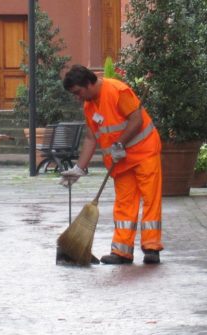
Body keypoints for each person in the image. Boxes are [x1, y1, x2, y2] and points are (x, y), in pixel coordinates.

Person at [60, 65, 163, 264]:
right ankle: (122, 252)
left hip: (144, 152)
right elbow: (91, 138)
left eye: (78, 92)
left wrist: (120, 143)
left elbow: (137, 120)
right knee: (124, 204)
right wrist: (79, 169)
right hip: (121, 161)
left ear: (89, 83)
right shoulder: (89, 106)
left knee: (150, 199)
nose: (77, 98)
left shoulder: (117, 91)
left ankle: (151, 248)